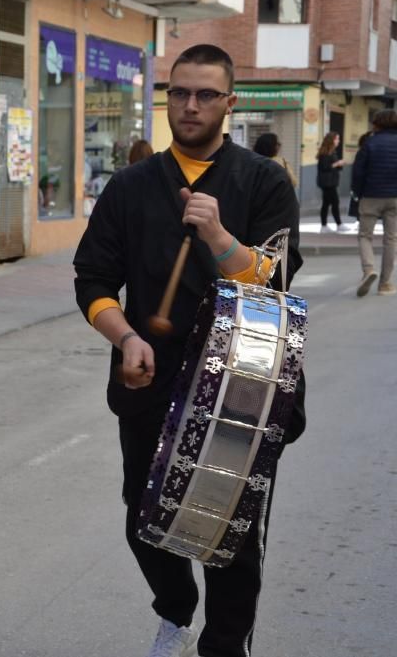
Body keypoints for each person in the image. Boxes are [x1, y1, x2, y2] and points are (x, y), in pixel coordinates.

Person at [73, 45, 304, 657]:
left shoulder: (262, 181)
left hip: (245, 389)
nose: (190, 105)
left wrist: (220, 237)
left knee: (233, 531)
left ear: (230, 102)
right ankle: (175, 611)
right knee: (144, 519)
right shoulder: (130, 186)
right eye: (179, 93)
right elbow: (92, 280)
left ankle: (224, 646)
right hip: (151, 382)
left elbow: (277, 284)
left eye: (205, 95)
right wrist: (125, 337)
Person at [351, 109, 397, 297]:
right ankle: (385, 284)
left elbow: (358, 172)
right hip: (395, 197)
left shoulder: (369, 143)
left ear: (377, 123)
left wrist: (358, 193)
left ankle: (369, 269)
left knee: (365, 236)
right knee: (391, 239)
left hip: (370, 195)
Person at [316, 131, 348, 233]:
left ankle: (324, 226)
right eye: (337, 139)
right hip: (327, 182)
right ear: (332, 140)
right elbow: (324, 167)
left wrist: (339, 164)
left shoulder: (332, 151)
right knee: (335, 202)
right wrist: (338, 163)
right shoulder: (325, 153)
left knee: (326, 203)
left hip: (331, 181)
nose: (338, 141)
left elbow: (334, 167)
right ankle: (339, 224)